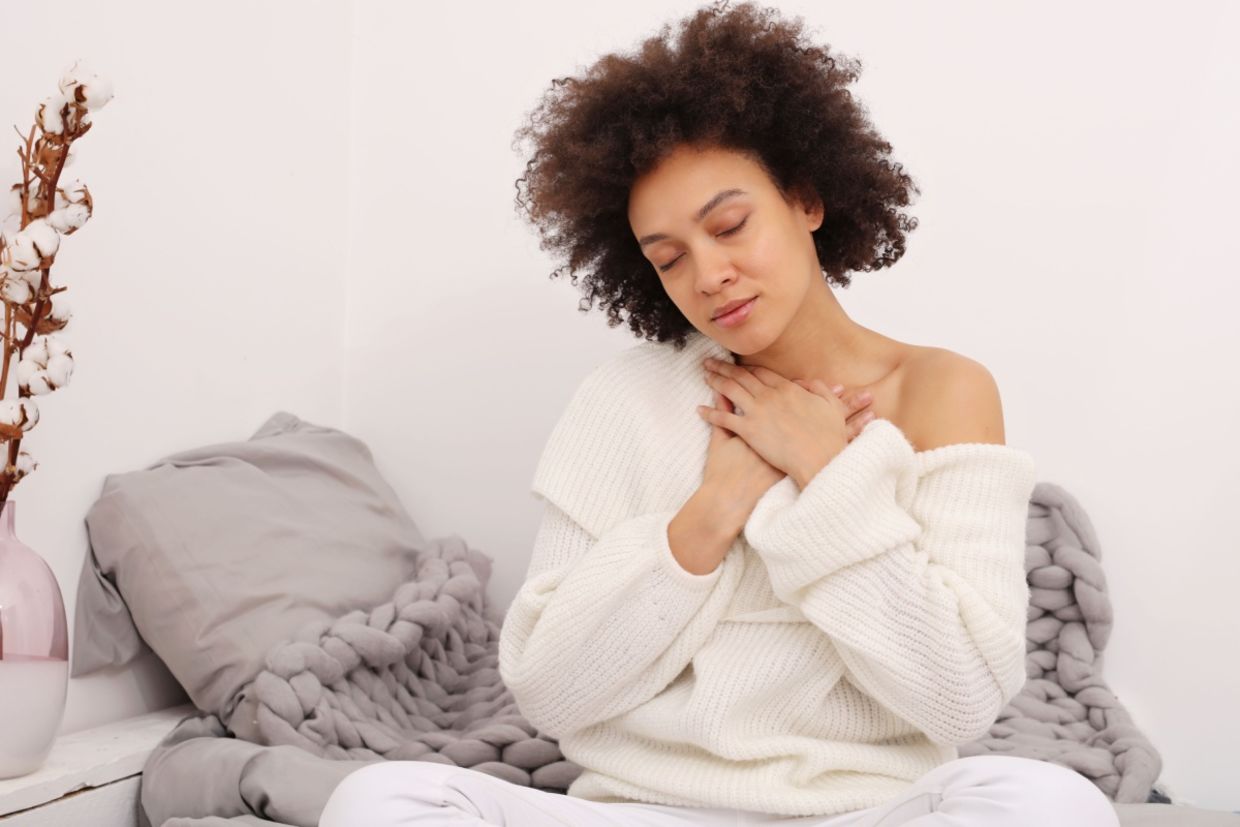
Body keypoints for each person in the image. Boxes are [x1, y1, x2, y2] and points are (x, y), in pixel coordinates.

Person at [319, 2, 1121, 825]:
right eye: (668, 258)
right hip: (639, 811)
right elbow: (552, 691)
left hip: (865, 813)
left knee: (1052, 803)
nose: (709, 275)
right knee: (380, 797)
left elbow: (961, 698)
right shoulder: (626, 397)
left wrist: (829, 474)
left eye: (730, 225)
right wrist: (713, 509)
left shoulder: (940, 390)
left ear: (806, 200)